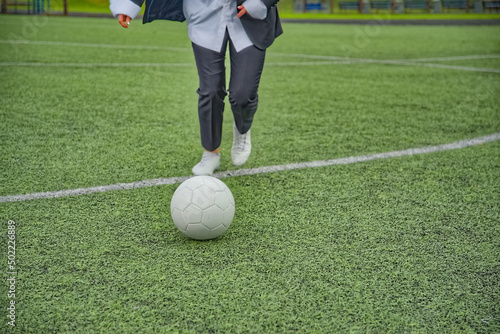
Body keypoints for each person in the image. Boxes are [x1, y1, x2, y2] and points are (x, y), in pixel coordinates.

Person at [110, 0, 283, 175]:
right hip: (204, 13)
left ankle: (243, 129)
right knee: (210, 90)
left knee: (242, 95)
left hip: (251, 14)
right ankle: (211, 152)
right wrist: (128, 4)